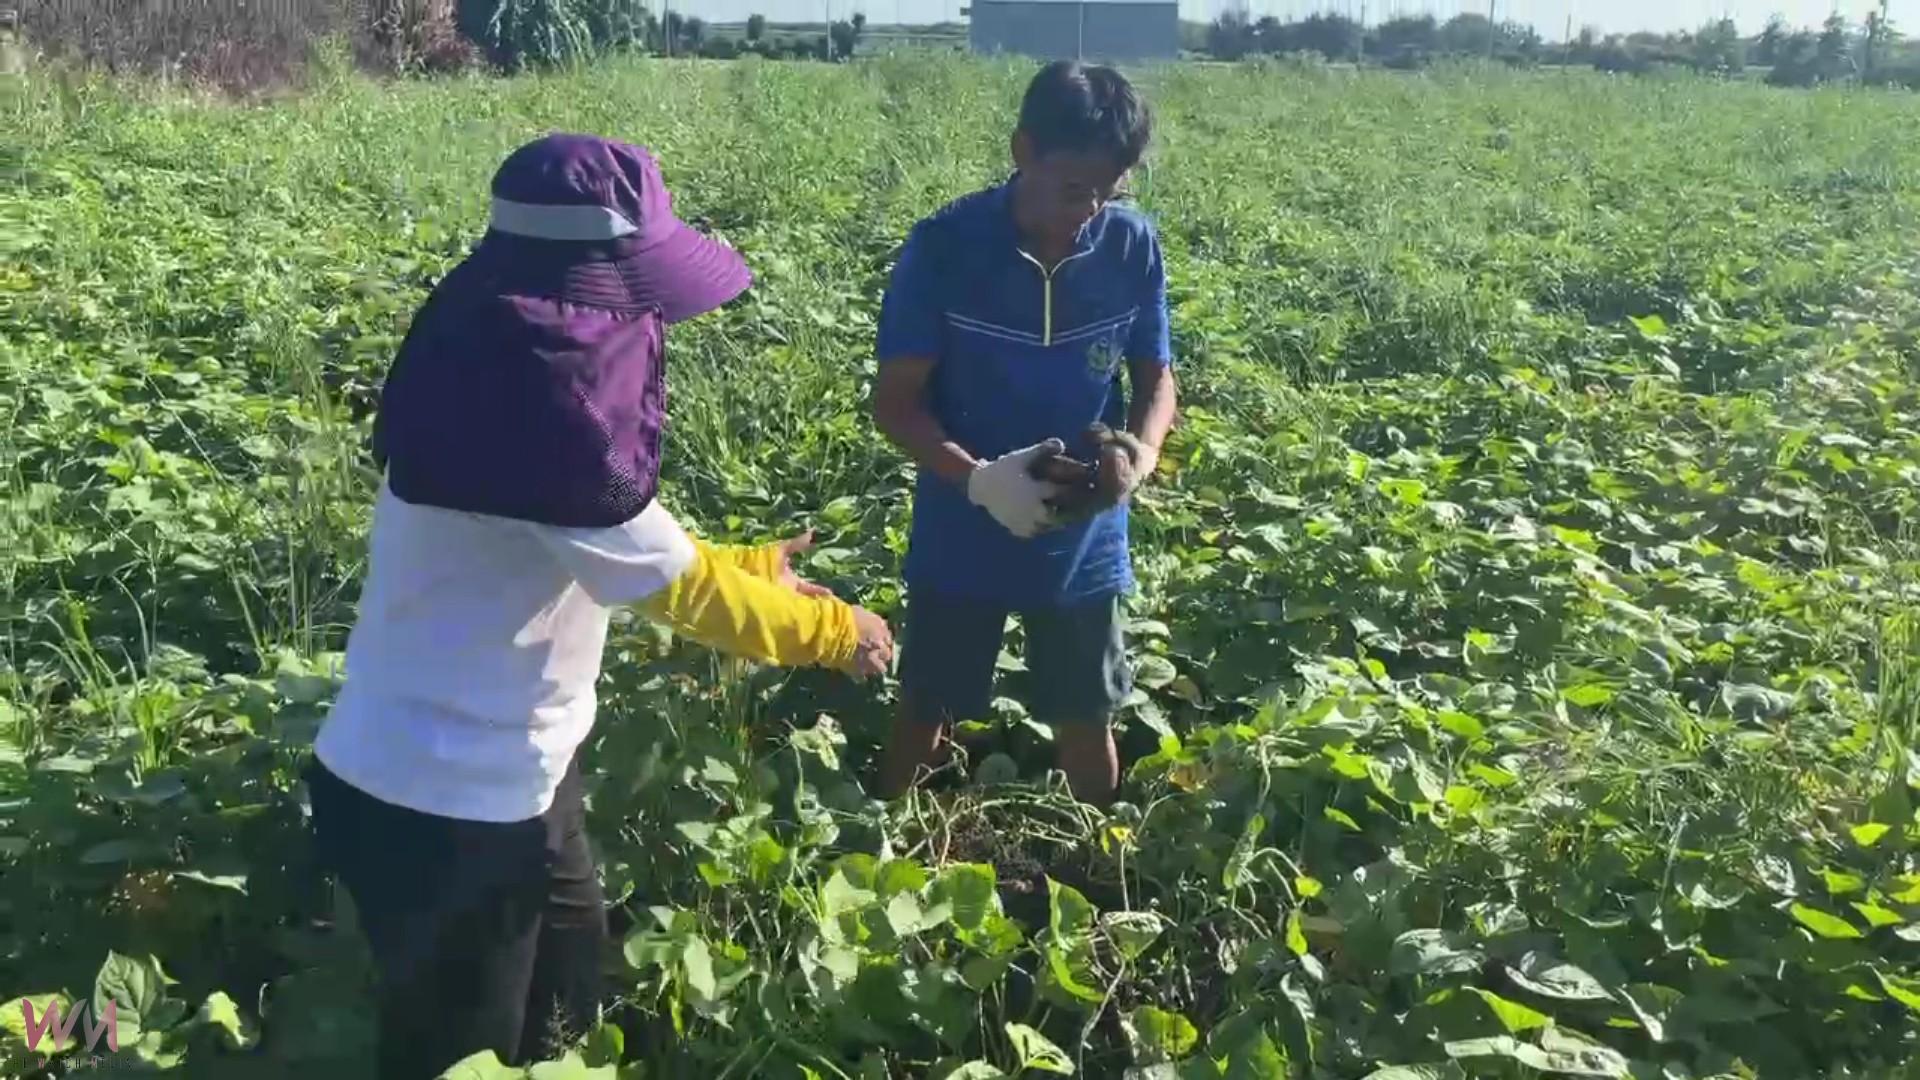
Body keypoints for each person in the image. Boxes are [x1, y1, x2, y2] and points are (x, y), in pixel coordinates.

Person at [303, 133, 894, 1080]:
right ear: (583, 302)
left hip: (525, 772)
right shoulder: (537, 406)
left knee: (570, 995)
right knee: (458, 1056)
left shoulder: (500, 365)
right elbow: (676, 587)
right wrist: (835, 629)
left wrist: (750, 564)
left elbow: (622, 546)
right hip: (441, 805)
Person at [871, 61, 1177, 806]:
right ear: (1023, 151)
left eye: (1111, 189)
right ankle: (886, 848)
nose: (1092, 209)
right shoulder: (946, 247)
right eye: (1075, 188)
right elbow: (895, 404)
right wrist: (980, 479)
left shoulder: (1129, 245)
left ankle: (1102, 878)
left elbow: (1156, 379)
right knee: (927, 708)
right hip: (961, 518)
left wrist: (1139, 454)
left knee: (1086, 712)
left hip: (1084, 533)